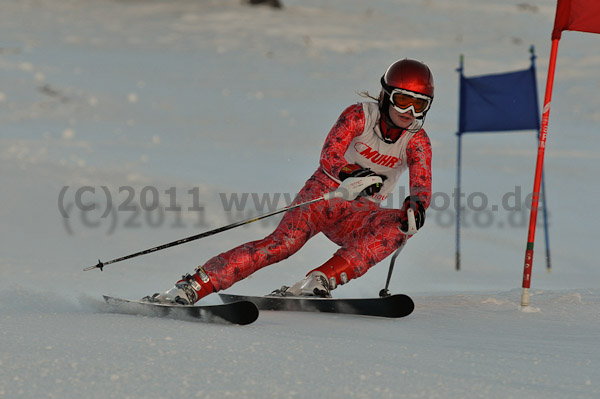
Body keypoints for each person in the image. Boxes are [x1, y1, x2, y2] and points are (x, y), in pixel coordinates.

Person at [146, 59, 434, 305]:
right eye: (402, 100)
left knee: (401, 225)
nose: (408, 113)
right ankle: (192, 286)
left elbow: (421, 185)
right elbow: (330, 154)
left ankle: (318, 282)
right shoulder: (360, 115)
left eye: (418, 105)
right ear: (385, 95)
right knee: (283, 245)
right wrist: (349, 172)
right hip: (325, 195)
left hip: (359, 214)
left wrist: (416, 206)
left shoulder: (417, 141)